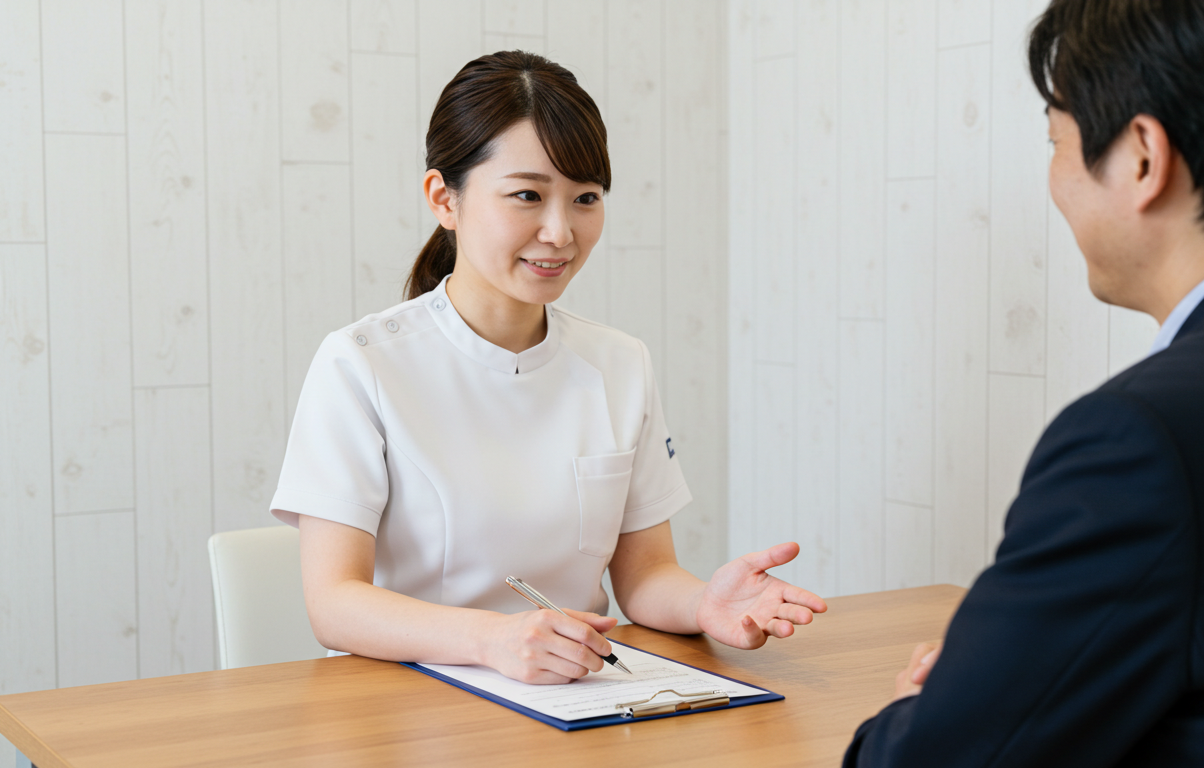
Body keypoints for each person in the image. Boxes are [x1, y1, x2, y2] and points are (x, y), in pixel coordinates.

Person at [846, 0, 1204, 764]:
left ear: (1143, 157)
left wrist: (937, 704)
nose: (1054, 180)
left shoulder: (1141, 438)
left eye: (1057, 143)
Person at [270, 51, 825, 684]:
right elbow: (334, 603)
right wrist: (493, 639)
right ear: (442, 198)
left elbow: (643, 576)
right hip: (412, 706)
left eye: (585, 198)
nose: (560, 232)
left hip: (580, 700)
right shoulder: (361, 365)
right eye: (527, 195)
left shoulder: (620, 363)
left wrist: (706, 603)